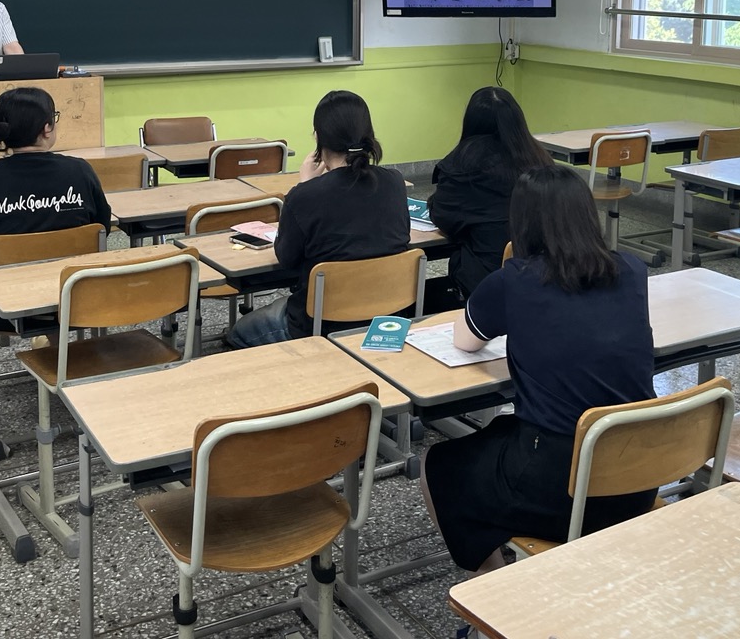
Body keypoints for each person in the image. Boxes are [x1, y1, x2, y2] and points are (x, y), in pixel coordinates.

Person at [421, 163, 656, 576]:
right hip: (638, 474)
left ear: (522, 223)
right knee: (502, 432)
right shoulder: (632, 269)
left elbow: (465, 340)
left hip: (563, 484)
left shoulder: (514, 280)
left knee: (439, 465)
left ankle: (494, 586)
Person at [0, 87, 110, 398]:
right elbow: (102, 227)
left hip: (0, 302)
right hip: (74, 294)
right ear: (47, 128)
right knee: (57, 270)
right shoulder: (80, 171)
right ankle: (56, 349)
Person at [226, 90, 410, 347]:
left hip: (321, 322)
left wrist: (303, 186)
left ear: (318, 136)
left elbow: (287, 258)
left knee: (237, 332)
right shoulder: (394, 182)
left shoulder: (306, 195)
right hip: (388, 315)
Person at [427, 86, 552, 308]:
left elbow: (444, 218)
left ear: (471, 122)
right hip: (547, 276)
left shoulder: (462, 164)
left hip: (486, 280)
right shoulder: (541, 160)